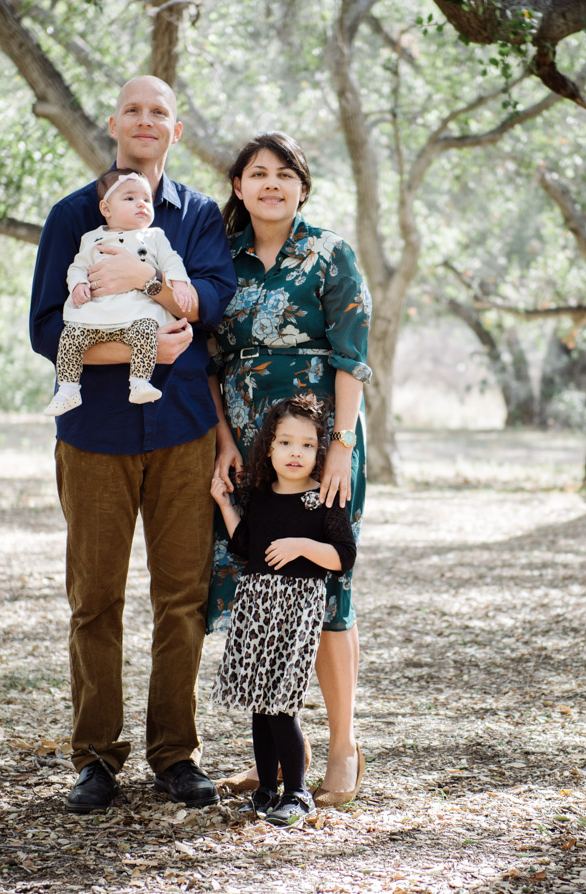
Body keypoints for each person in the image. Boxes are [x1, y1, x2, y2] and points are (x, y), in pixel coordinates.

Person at [28, 76, 236, 813]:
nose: (147, 122)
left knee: (183, 599)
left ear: (174, 131)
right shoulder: (71, 217)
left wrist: (147, 277)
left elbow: (214, 297)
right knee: (95, 601)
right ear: (114, 123)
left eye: (161, 113)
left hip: (182, 434)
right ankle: (95, 759)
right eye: (135, 110)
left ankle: (176, 755)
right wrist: (148, 344)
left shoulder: (199, 214)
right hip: (94, 436)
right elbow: (49, 333)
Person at [207, 132, 371, 808]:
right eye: (256, 174)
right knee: (262, 592)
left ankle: (341, 746)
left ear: (302, 185)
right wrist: (223, 443)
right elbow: (209, 366)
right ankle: (282, 755)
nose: (270, 184)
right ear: (239, 188)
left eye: (283, 174)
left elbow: (351, 356)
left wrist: (341, 446)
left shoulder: (330, 254)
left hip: (319, 448)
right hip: (248, 449)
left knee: (326, 592)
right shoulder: (220, 260)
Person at [210, 394, 357, 827]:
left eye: (308, 445)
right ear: (268, 449)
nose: (296, 453)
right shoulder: (262, 496)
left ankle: (297, 793)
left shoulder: (322, 500)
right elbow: (243, 546)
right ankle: (266, 791)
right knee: (261, 701)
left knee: (282, 703)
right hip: (256, 607)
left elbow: (343, 555)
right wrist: (224, 504)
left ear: (319, 452)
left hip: (297, 609)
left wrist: (303, 547)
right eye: (286, 443)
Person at [43, 168, 197, 416]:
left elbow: (172, 260)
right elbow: (78, 266)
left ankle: (139, 381)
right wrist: (79, 284)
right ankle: (69, 388)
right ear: (106, 209)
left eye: (146, 199)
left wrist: (179, 283)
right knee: (71, 338)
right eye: (130, 199)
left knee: (147, 331)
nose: (142, 204)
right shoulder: (91, 239)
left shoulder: (155, 236)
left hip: (136, 312)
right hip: (96, 314)